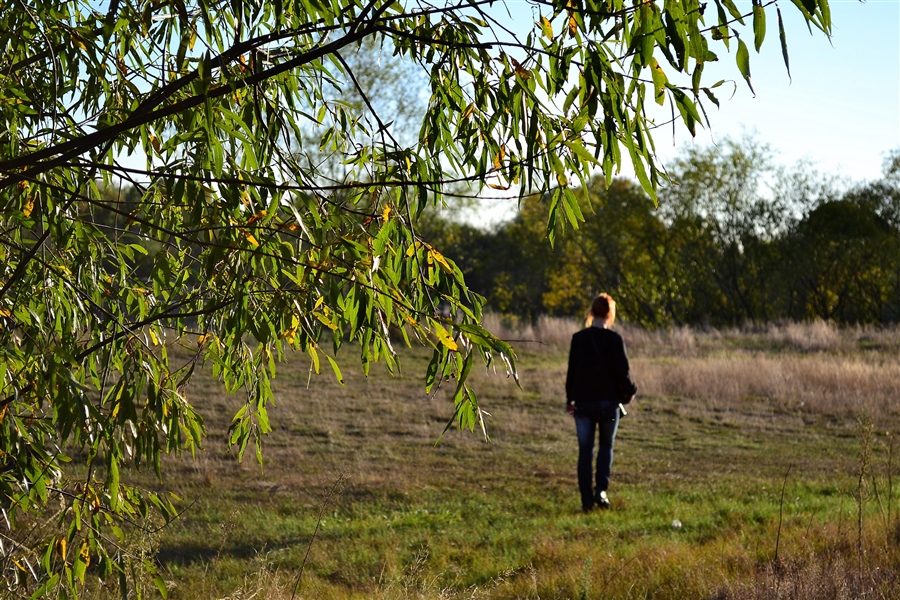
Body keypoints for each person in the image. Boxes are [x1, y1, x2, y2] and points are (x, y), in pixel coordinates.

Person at [565, 293, 637, 512]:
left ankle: (586, 501)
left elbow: (572, 373)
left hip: (584, 404)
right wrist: (630, 392)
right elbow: (623, 373)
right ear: (610, 313)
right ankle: (601, 491)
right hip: (609, 405)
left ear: (592, 312)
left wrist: (570, 399)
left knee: (585, 451)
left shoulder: (579, 338)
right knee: (606, 446)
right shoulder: (615, 340)